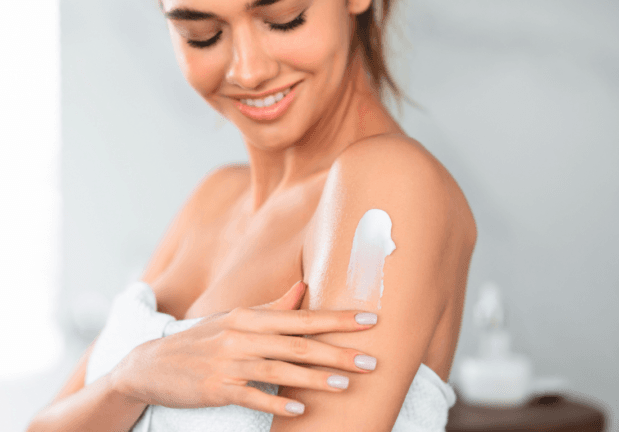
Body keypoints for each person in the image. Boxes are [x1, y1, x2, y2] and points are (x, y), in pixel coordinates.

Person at [28, 0, 477, 429]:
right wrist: (131, 380)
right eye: (201, 35)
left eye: (284, 18)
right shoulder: (215, 198)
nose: (248, 71)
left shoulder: (389, 185)